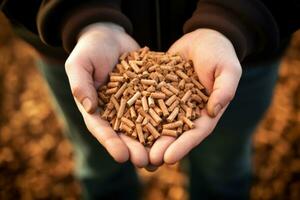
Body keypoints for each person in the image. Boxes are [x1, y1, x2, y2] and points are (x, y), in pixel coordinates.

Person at [1, 0, 299, 199]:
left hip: (241, 48)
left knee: (224, 167)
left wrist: (235, 18)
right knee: (98, 165)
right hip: (76, 49)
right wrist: (79, 15)